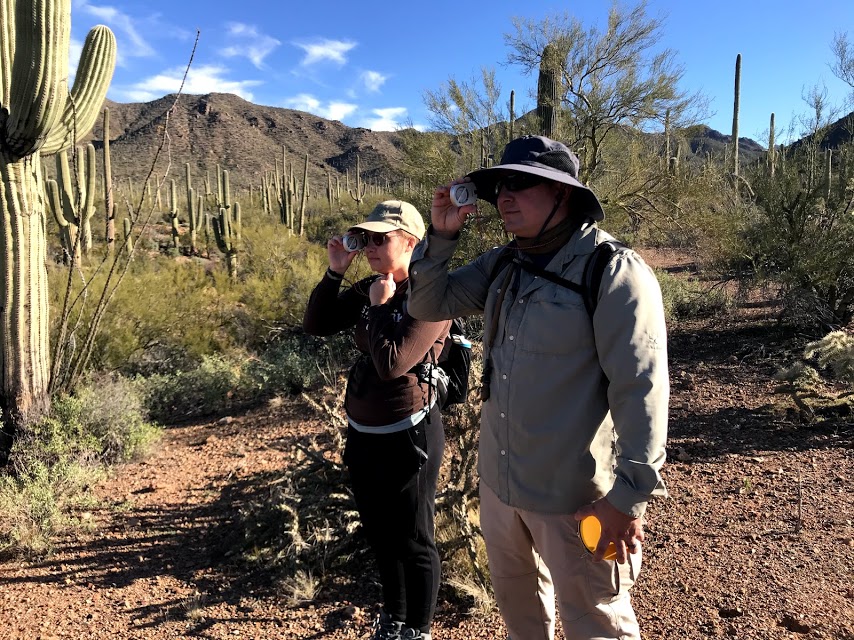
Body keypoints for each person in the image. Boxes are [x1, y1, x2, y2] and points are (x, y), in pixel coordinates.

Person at [406, 135, 669, 640]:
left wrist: (627, 499)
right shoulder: (505, 263)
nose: (505, 195)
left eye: (522, 183)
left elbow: (641, 389)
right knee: (522, 618)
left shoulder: (611, 270)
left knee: (596, 622)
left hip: (574, 496)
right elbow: (427, 304)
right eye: (501, 185)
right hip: (501, 487)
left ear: (563, 195)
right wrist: (440, 238)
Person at [303, 200, 451, 640]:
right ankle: (393, 619)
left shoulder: (431, 295)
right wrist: (335, 273)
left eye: (380, 239)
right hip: (364, 433)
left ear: (411, 243)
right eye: (365, 238)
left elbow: (392, 363)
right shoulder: (373, 284)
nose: (369, 246)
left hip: (410, 436)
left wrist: (382, 309)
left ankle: (418, 630)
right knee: (381, 534)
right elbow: (316, 324)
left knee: (414, 539)